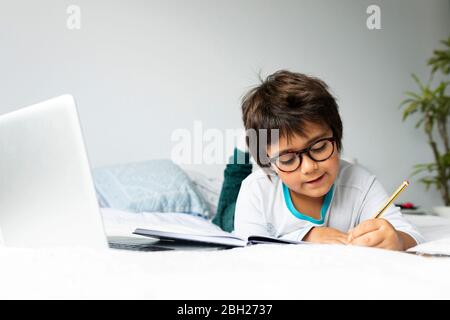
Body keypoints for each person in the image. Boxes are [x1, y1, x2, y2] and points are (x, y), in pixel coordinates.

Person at [234, 70, 424, 251]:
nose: (309, 167)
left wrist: (398, 239)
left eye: (319, 147)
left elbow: (412, 235)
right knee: (225, 217)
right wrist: (305, 237)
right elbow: (246, 247)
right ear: (269, 163)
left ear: (336, 136)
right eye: (288, 159)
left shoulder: (360, 183)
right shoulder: (256, 190)